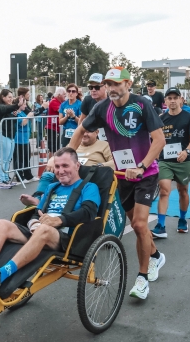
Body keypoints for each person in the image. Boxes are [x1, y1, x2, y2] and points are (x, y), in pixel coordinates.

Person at [67, 67, 166, 301]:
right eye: (109, 84)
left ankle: (142, 279)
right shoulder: (102, 108)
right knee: (137, 225)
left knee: (140, 224)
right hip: (122, 175)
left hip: (145, 173)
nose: (112, 88)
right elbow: (80, 130)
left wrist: (141, 166)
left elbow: (159, 139)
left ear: (128, 84)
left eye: (116, 84)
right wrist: (66, 158)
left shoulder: (142, 104)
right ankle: (156, 256)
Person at [0, 148, 101, 291]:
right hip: (40, 230)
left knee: (44, 230)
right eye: (57, 166)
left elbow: (89, 212)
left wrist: (60, 220)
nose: (60, 171)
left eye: (65, 166)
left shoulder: (89, 187)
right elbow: (37, 212)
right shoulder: (52, 187)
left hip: (66, 238)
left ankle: (0, 276)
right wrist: (33, 223)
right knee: (0, 224)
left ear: (77, 166)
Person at [23, 127, 114, 205]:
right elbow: (60, 155)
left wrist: (99, 166)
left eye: (88, 132)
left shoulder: (104, 145)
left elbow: (114, 162)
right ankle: (38, 199)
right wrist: (52, 160)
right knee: (47, 174)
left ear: (97, 132)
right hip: (68, 173)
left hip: (90, 175)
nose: (85, 134)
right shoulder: (74, 144)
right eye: (83, 132)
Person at [152, 88, 190, 238]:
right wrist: (155, 154)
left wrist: (186, 151)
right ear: (165, 101)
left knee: (182, 190)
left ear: (181, 100)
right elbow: (155, 139)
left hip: (183, 160)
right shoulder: (160, 118)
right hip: (165, 160)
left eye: (175, 98)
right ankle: (161, 226)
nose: (172, 101)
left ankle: (183, 219)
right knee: (164, 190)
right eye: (169, 98)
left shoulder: (188, 117)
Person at [0, 89, 22, 189]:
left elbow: (12, 118)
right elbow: (5, 109)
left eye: (12, 97)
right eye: (9, 97)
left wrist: (15, 114)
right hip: (2, 135)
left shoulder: (9, 108)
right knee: (3, 159)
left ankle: (6, 178)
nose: (11, 99)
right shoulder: (0, 107)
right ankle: (1, 179)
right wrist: (17, 105)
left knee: (8, 159)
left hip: (10, 136)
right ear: (3, 97)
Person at [13, 106, 34, 181]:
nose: (25, 106)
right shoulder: (16, 114)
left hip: (25, 138)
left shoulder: (23, 112)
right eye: (24, 104)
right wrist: (28, 116)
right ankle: (19, 176)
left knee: (27, 157)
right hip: (19, 138)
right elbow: (22, 123)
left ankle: (28, 175)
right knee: (19, 159)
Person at [58, 83, 82, 147]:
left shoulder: (80, 104)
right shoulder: (63, 105)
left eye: (73, 91)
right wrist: (66, 116)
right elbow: (60, 122)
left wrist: (73, 116)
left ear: (76, 93)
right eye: (69, 91)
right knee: (65, 151)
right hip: (66, 133)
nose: (71, 93)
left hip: (77, 132)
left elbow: (81, 122)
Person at [46, 87, 65, 155]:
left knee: (57, 148)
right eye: (64, 94)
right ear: (59, 95)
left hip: (57, 127)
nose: (65, 96)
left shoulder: (61, 102)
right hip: (52, 128)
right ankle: (52, 161)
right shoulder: (54, 101)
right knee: (53, 148)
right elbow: (61, 111)